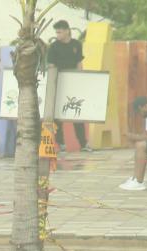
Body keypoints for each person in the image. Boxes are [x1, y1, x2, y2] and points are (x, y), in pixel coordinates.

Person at [47, 20, 90, 152]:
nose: (57, 34)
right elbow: (51, 66)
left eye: (59, 32)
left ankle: (83, 143)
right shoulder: (53, 47)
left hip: (74, 82)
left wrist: (80, 79)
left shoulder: (76, 44)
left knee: (77, 114)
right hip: (59, 82)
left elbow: (79, 63)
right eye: (56, 32)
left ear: (67, 31)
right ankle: (61, 143)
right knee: (58, 115)